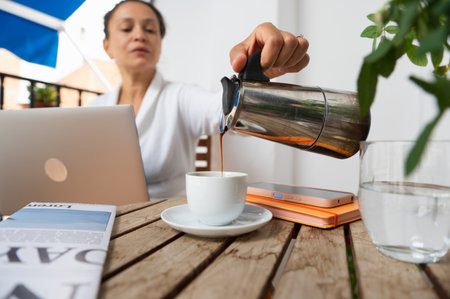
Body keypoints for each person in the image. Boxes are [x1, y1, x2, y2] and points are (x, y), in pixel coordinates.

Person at [88, 0, 310, 199]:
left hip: (165, 225)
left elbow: (222, 111)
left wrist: (253, 78)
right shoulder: (93, 110)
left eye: (150, 29)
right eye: (127, 28)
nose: (139, 35)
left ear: (159, 44)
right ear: (107, 46)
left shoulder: (180, 98)